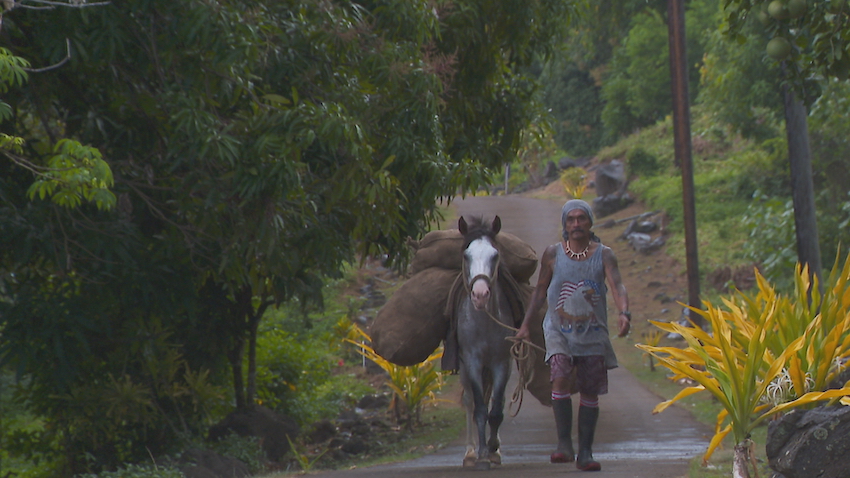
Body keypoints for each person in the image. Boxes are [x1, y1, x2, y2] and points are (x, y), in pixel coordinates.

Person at [515, 199, 630, 472]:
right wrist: (525, 325)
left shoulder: (604, 254)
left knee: (590, 390)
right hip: (558, 330)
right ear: (565, 225)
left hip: (592, 332)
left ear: (590, 223)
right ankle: (564, 444)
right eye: (571, 220)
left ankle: (586, 453)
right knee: (561, 377)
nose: (576, 224)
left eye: (581, 219)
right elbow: (539, 291)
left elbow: (617, 286)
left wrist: (625, 313)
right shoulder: (553, 254)